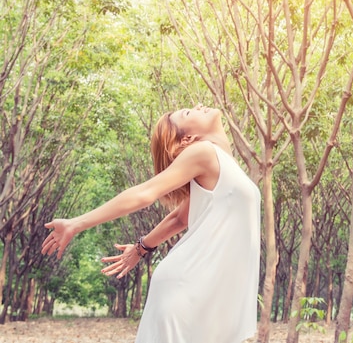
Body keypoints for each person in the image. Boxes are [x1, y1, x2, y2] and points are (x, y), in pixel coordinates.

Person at [41, 104, 261, 343]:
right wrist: (76, 223)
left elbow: (179, 218)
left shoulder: (224, 164)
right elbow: (145, 193)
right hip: (187, 289)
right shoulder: (204, 153)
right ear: (188, 138)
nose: (198, 106)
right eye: (188, 113)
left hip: (207, 295)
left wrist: (141, 248)